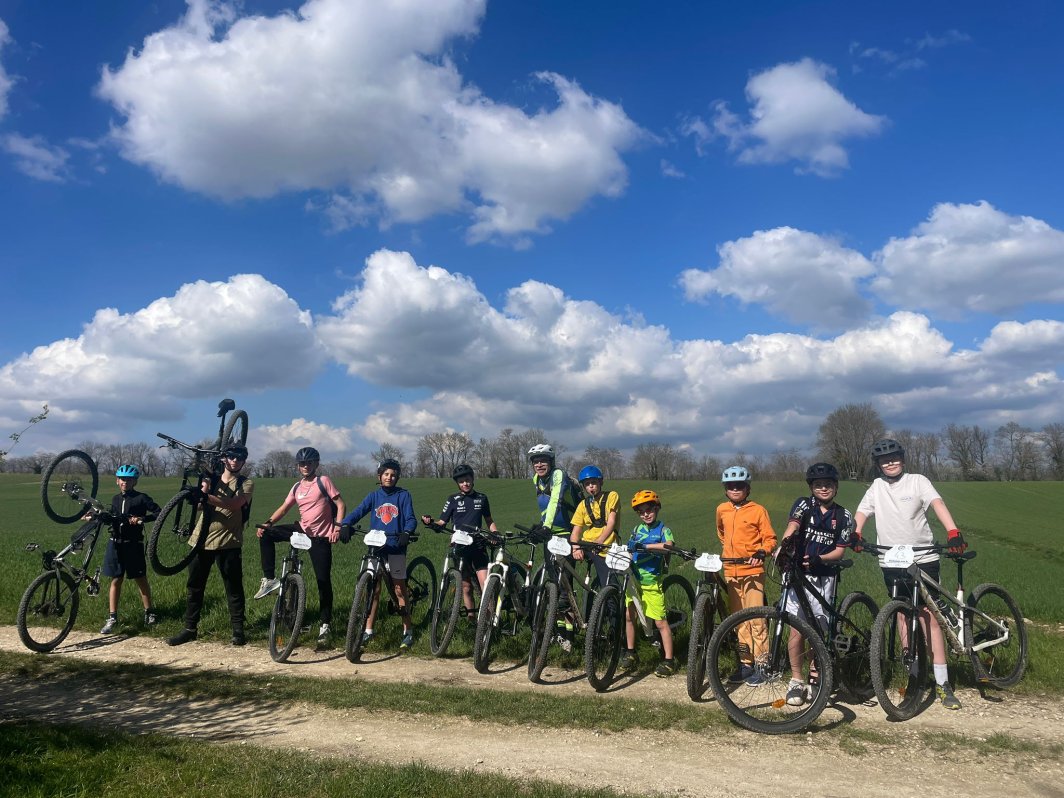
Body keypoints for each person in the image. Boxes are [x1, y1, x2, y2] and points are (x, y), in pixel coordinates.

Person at [853, 438, 967, 710]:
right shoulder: (877, 487)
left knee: (931, 618)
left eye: (894, 458)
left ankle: (942, 682)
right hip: (891, 560)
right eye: (884, 460)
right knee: (903, 614)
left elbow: (937, 503)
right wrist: (856, 532)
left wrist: (952, 531)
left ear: (902, 459)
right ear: (878, 465)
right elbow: (862, 511)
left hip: (923, 557)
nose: (889, 462)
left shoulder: (918, 481)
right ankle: (914, 675)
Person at [254, 446, 346, 647]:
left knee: (323, 581)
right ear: (298, 466)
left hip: (321, 537)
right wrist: (267, 523)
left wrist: (337, 528)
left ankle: (325, 625)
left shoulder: (323, 481)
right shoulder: (297, 487)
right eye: (302, 463)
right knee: (266, 535)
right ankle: (269, 579)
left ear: (316, 464)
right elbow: (285, 507)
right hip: (302, 530)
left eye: (309, 463)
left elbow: (340, 505)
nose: (305, 466)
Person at [778, 462, 854, 706]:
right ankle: (796, 681)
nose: (824, 488)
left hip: (824, 577)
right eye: (819, 485)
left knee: (818, 632)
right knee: (796, 629)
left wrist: (820, 558)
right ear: (811, 487)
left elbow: (840, 552)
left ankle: (815, 678)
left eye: (828, 485)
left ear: (836, 487)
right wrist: (786, 544)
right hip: (798, 575)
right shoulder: (804, 504)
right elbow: (793, 525)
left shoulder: (844, 516)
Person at [167, 444, 253, 647]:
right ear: (225, 459)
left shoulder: (246, 483)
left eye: (239, 458)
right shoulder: (212, 480)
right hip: (200, 540)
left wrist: (206, 497)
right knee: (195, 587)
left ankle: (238, 630)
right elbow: (199, 506)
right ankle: (190, 629)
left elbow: (233, 504)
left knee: (233, 588)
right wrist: (202, 491)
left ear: (243, 461)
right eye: (231, 457)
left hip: (228, 541)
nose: (235, 461)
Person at [340, 458, 418, 651]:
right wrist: (345, 524)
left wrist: (407, 532)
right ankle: (368, 630)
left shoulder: (403, 495)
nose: (389, 478)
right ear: (379, 476)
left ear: (397, 477)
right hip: (375, 549)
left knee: (399, 589)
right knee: (372, 590)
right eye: (386, 474)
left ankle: (408, 630)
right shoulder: (373, 496)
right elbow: (359, 511)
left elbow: (410, 518)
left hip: (395, 547)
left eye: (393, 475)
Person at [716, 465, 777, 685]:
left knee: (756, 619)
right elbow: (722, 534)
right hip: (731, 570)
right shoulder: (722, 509)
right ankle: (745, 663)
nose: (735, 489)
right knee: (738, 620)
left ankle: (763, 664)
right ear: (725, 489)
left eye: (739, 485)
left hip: (752, 571)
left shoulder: (757, 510)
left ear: (747, 488)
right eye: (731, 486)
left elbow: (770, 538)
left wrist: (761, 552)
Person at [421, 463, 499, 625]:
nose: (465, 483)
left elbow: (489, 520)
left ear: (472, 479)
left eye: (468, 480)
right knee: (466, 587)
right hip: (460, 546)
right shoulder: (452, 499)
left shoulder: (482, 498)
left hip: (478, 545)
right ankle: (471, 621)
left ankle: (490, 622)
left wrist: (495, 533)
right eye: (462, 481)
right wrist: (430, 523)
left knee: (485, 585)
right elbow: (443, 522)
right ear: (458, 483)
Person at [98, 464, 160, 635]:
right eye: (122, 479)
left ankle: (149, 612)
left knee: (140, 578)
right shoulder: (115, 499)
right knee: (116, 579)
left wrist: (142, 519)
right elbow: (113, 518)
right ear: (117, 481)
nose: (125, 482)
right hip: (116, 543)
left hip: (134, 544)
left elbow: (158, 512)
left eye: (129, 479)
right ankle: (112, 617)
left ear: (135, 481)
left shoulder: (142, 498)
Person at [622, 490, 677, 677]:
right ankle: (630, 653)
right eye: (641, 511)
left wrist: (646, 547)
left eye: (649, 510)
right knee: (630, 616)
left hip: (651, 582)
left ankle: (669, 660)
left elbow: (669, 545)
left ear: (657, 508)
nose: (646, 514)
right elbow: (629, 548)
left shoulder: (663, 529)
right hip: (634, 580)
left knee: (660, 622)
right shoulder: (637, 530)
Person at [569, 465, 620, 589]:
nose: (591, 486)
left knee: (607, 581)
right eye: (587, 484)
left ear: (601, 482)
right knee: (563, 557)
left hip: (606, 546)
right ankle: (564, 596)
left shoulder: (611, 496)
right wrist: (575, 547)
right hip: (588, 544)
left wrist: (599, 541)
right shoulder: (583, 504)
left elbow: (611, 523)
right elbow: (576, 531)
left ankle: (611, 604)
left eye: (594, 482)